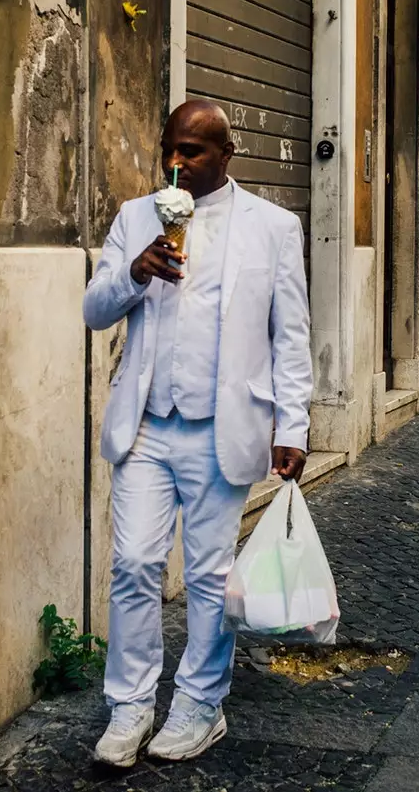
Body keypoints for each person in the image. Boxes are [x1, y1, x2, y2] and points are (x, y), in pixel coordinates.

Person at [82, 99, 312, 767]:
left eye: (193, 151)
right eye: (171, 149)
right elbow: (95, 310)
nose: (177, 163)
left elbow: (289, 335)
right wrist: (133, 272)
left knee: (211, 576)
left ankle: (198, 706)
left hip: (224, 429)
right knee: (132, 566)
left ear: (226, 154)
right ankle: (128, 709)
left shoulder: (272, 227)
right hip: (148, 427)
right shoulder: (135, 217)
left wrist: (291, 423)